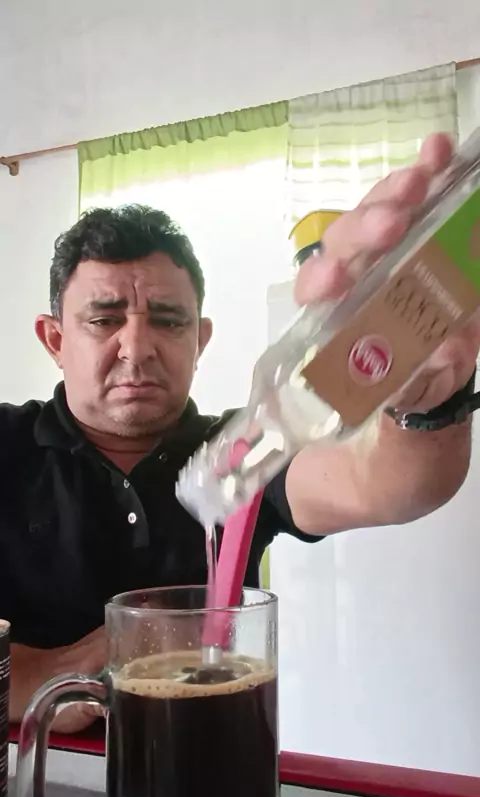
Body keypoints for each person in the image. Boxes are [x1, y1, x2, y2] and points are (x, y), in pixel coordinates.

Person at [3, 133, 480, 733]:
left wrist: (429, 394)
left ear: (200, 340)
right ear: (54, 340)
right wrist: (55, 671)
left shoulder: (240, 450)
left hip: (217, 771)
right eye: (103, 320)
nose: (137, 347)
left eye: (168, 321)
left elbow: (387, 483)